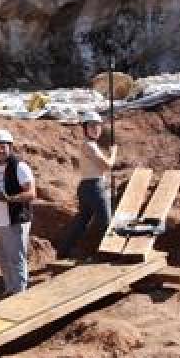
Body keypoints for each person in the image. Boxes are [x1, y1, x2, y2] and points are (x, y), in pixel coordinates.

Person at [55, 110, 117, 260]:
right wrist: (114, 152)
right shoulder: (90, 146)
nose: (95, 128)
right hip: (94, 187)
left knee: (82, 220)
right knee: (105, 222)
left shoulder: (91, 145)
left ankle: (64, 251)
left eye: (98, 126)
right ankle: (97, 254)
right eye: (91, 126)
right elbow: (107, 165)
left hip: (87, 187)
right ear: (85, 128)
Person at [0, 129, 36, 295]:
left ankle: (20, 293)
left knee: (16, 259)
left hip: (16, 220)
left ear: (10, 146)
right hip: (0, 221)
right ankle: (10, 290)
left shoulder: (20, 166)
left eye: (3, 147)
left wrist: (9, 198)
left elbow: (31, 193)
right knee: (3, 259)